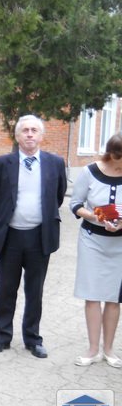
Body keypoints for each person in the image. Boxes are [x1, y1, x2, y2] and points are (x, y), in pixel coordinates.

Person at [0, 114, 67, 358]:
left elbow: (58, 196)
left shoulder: (55, 163)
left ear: (41, 136)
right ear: (17, 136)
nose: (30, 134)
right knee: (6, 288)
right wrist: (8, 218)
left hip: (39, 237)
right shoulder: (1, 164)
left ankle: (32, 338)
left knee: (35, 290)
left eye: (34, 130)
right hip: (10, 236)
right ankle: (1, 336)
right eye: (25, 130)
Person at [69, 133, 122, 368]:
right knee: (92, 295)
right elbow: (75, 204)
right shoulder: (89, 171)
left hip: (119, 245)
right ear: (111, 153)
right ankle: (92, 350)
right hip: (92, 240)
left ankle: (108, 349)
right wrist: (96, 216)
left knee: (113, 298)